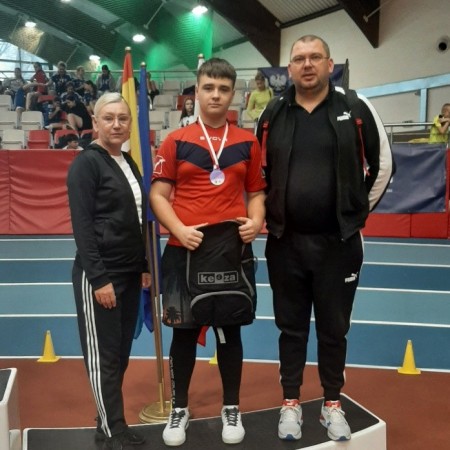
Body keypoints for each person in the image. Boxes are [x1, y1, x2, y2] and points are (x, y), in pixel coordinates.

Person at [256, 35, 393, 442]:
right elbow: (258, 174)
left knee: (334, 329)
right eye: (299, 58)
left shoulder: (356, 106)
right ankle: (291, 403)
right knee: (291, 328)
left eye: (315, 57)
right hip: (286, 243)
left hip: (339, 245)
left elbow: (383, 165)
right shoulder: (273, 112)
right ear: (289, 69)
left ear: (330, 65)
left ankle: (332, 403)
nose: (307, 64)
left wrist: (355, 211)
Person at [150, 57, 266, 447]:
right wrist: (179, 229)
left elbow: (257, 192)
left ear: (233, 94)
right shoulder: (175, 141)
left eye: (223, 89)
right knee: (183, 333)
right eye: (208, 88)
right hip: (184, 250)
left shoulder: (248, 142)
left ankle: (231, 407)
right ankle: (179, 407)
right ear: (196, 92)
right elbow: (158, 195)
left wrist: (256, 221)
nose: (216, 95)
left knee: (229, 331)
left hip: (231, 250)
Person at [67, 92, 151, 450]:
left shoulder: (127, 161)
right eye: (109, 118)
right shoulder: (86, 164)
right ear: (95, 122)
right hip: (101, 276)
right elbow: (83, 227)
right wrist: (99, 278)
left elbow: (136, 218)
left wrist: (144, 265)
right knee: (104, 358)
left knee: (119, 355)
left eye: (123, 118)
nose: (117, 124)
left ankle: (108, 425)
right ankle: (113, 430)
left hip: (130, 273)